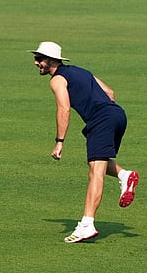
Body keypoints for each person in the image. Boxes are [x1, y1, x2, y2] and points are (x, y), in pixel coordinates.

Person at [29, 41, 139, 243]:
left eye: (39, 59)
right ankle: (125, 175)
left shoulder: (57, 80)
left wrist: (59, 141)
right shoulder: (82, 71)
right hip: (117, 115)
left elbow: (64, 109)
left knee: (95, 172)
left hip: (102, 120)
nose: (36, 63)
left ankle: (87, 225)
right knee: (98, 161)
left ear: (52, 61)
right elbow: (110, 93)